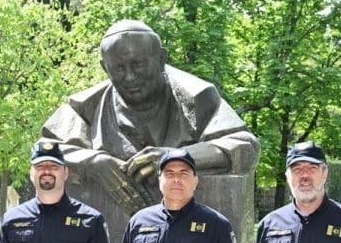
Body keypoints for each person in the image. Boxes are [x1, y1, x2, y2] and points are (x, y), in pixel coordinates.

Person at [42, 20, 259, 211]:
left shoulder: (196, 97)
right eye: (118, 68)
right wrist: (92, 162)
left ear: (161, 58)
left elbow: (245, 146)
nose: (129, 77)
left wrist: (175, 158)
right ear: (105, 68)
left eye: (138, 65)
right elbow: (45, 149)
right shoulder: (85, 107)